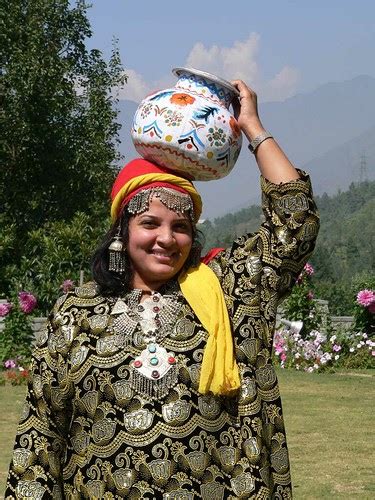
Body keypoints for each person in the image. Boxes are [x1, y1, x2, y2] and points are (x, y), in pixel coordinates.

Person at [5, 80, 319, 499]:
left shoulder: (229, 292)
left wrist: (253, 128)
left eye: (181, 227)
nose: (166, 239)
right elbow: (40, 439)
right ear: (122, 229)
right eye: (150, 223)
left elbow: (293, 225)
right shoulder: (75, 312)